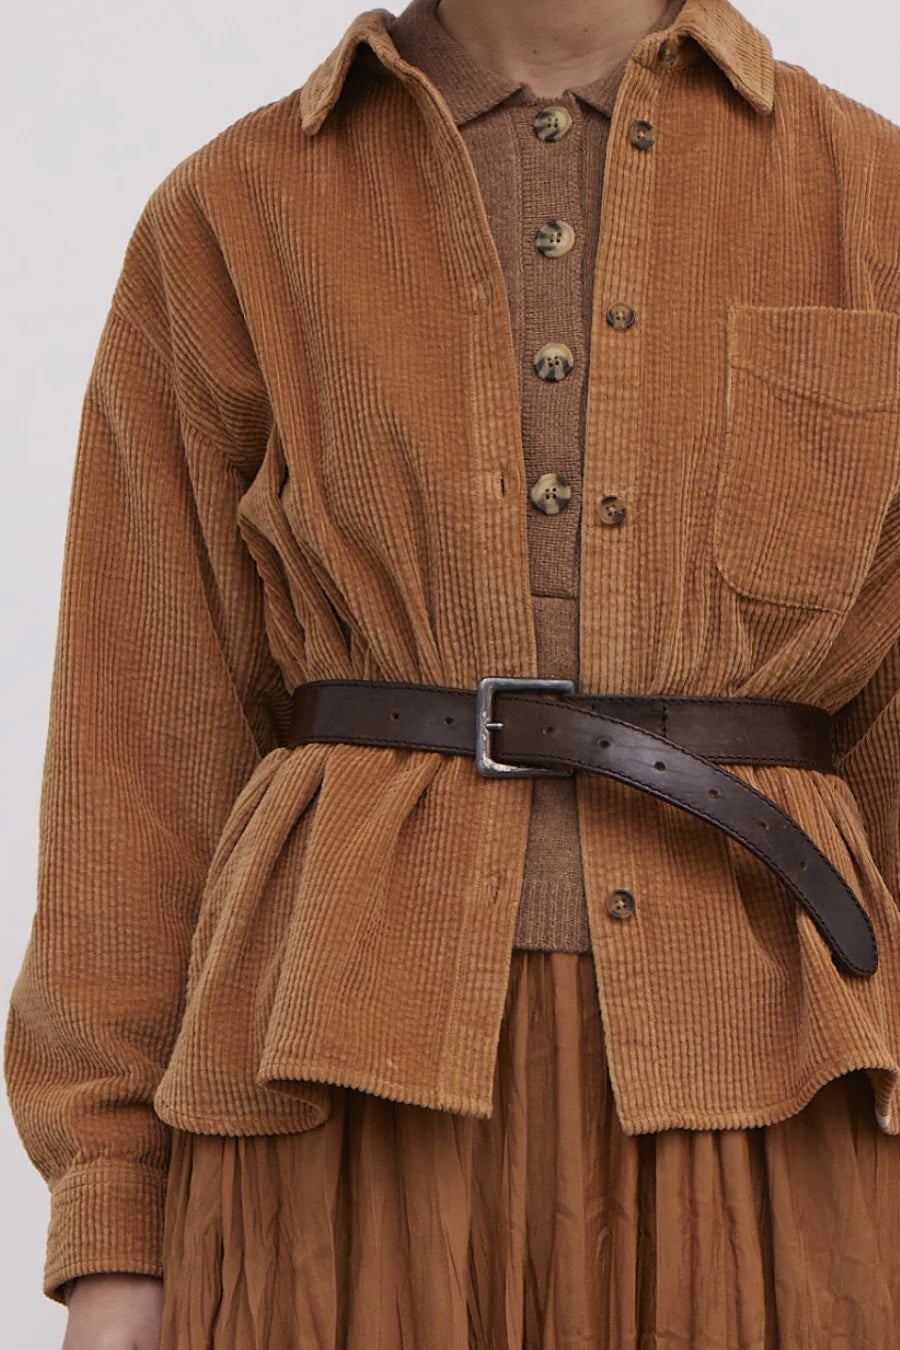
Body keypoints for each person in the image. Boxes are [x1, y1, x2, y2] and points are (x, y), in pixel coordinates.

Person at [6, 0, 900, 1344]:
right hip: (333, 1108)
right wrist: (113, 1223)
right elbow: (135, 760)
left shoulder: (873, 198)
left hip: (779, 1102)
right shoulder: (234, 213)